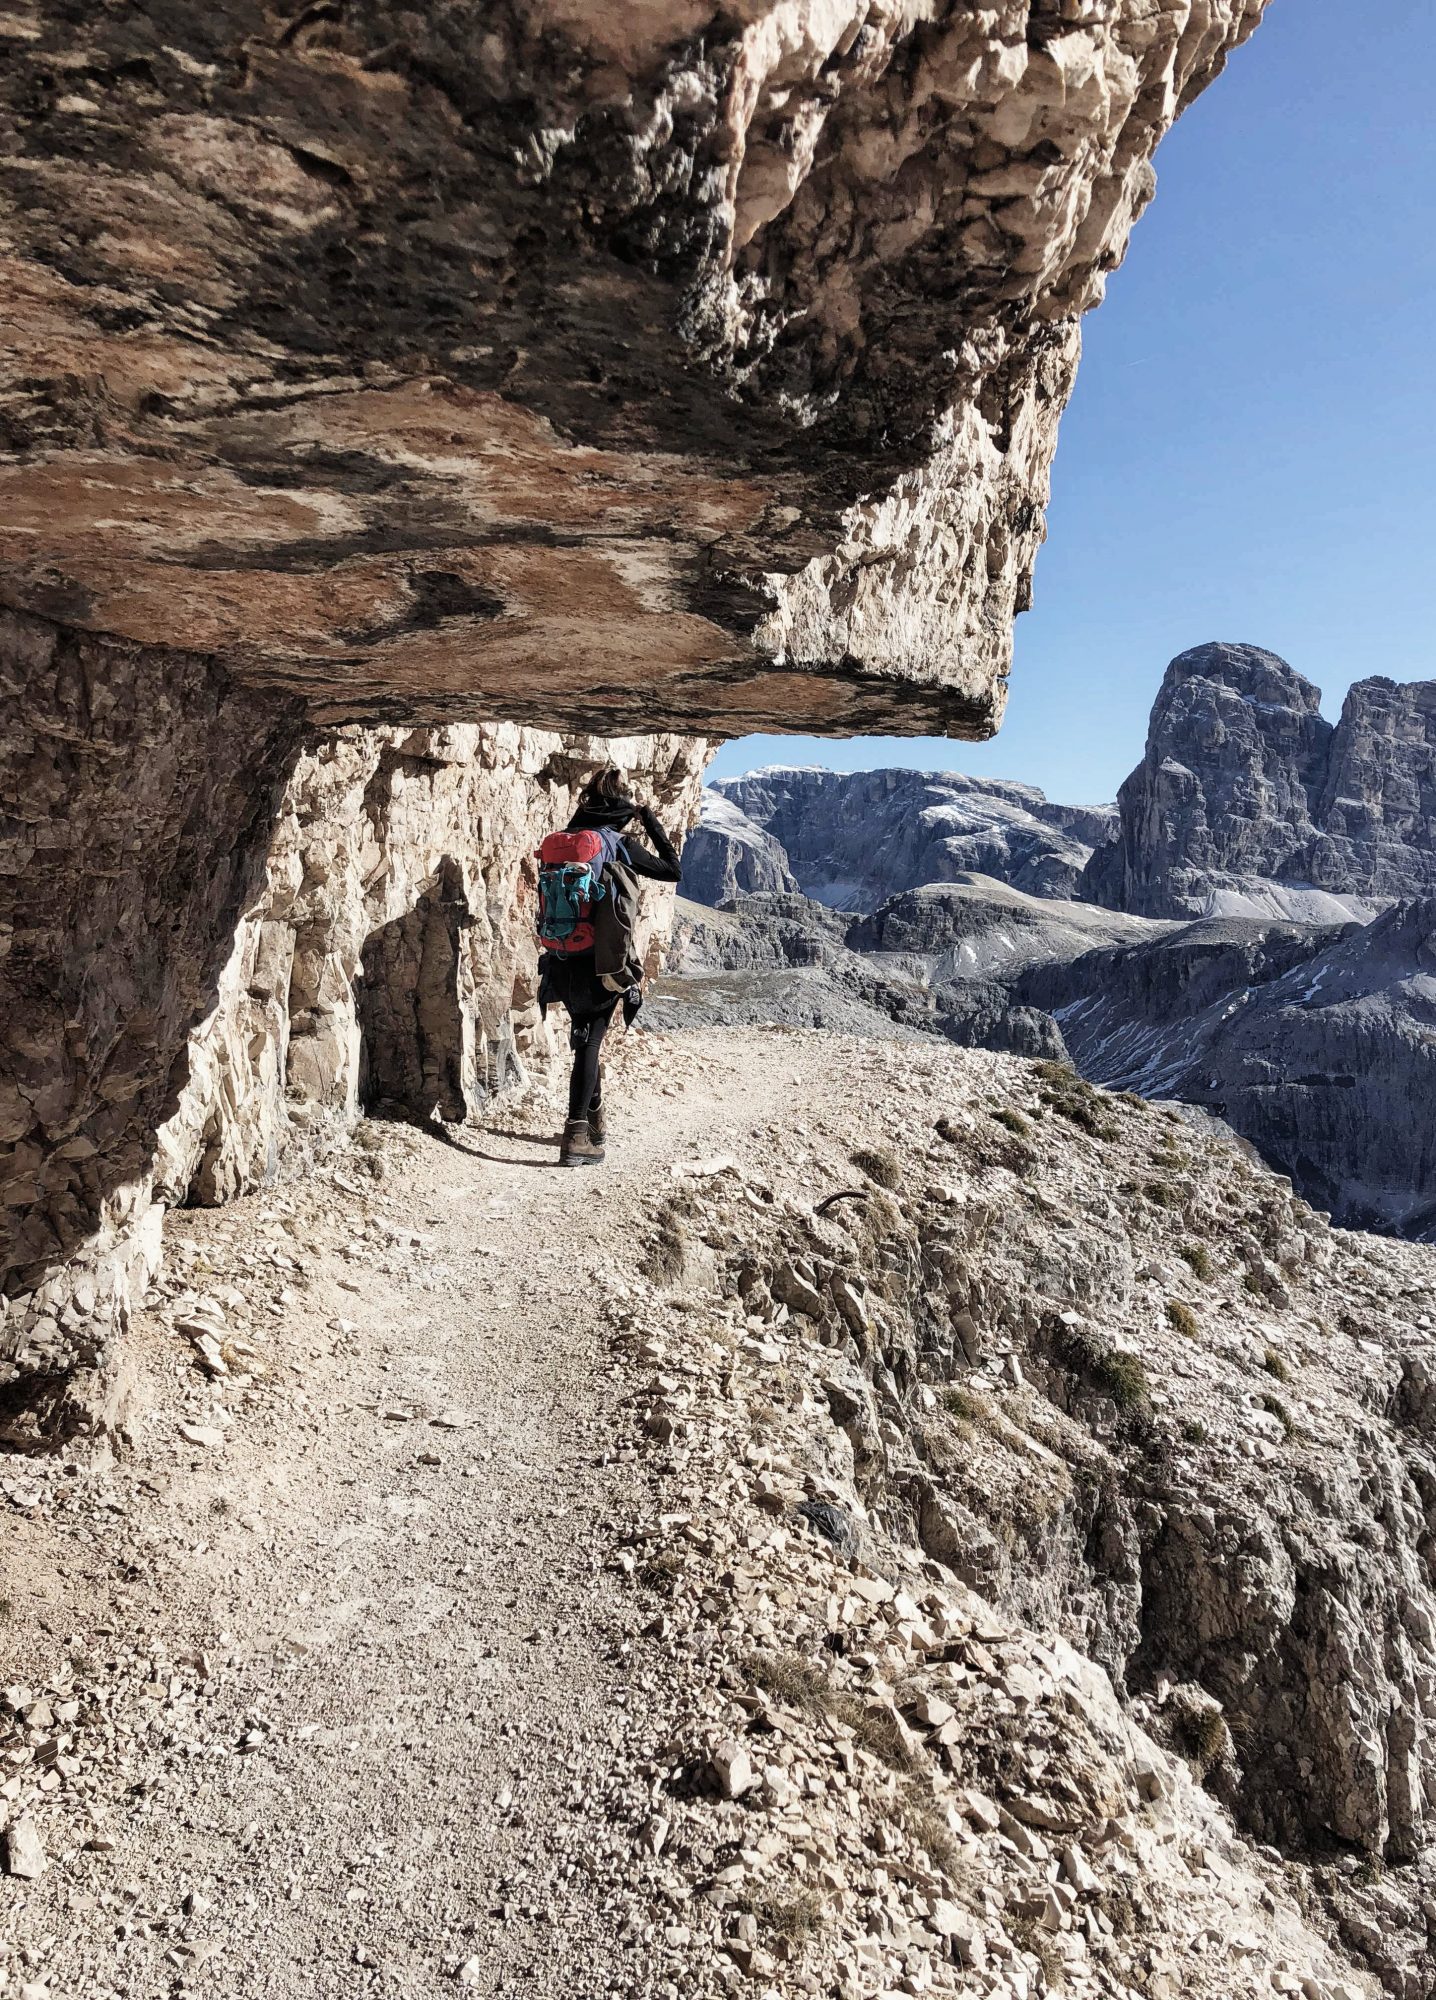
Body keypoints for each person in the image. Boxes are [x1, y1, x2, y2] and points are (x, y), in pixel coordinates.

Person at [536, 768, 682, 1167]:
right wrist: (649, 820)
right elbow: (672, 870)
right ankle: (577, 1134)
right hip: (600, 965)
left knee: (585, 1038)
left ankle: (593, 1122)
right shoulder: (618, 844)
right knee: (590, 1043)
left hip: (559, 960)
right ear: (622, 808)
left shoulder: (562, 843)